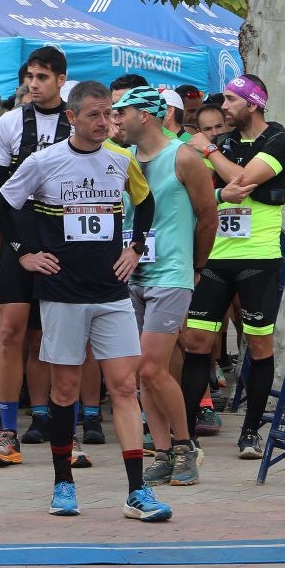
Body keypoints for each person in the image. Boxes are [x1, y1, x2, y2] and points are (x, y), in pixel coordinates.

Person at [0, 79, 171, 521]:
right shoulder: (44, 161)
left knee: (123, 388)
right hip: (62, 294)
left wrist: (134, 250)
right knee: (65, 389)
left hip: (112, 292)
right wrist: (25, 255)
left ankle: (137, 492)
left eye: (110, 113)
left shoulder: (121, 160)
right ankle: (63, 483)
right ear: (72, 118)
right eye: (94, 114)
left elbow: (146, 204)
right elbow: (4, 205)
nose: (104, 122)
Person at [184, 73, 285, 459]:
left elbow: (243, 181)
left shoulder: (280, 141)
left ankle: (250, 432)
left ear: (253, 103)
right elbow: (209, 189)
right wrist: (217, 178)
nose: (224, 107)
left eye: (231, 100)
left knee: (259, 345)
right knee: (196, 341)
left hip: (258, 257)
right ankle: (186, 435)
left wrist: (210, 153)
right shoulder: (226, 142)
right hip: (217, 256)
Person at [111, 83, 217, 488]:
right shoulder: (122, 160)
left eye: (121, 112)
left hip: (172, 274)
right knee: (141, 372)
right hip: (132, 274)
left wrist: (196, 266)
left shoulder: (185, 158)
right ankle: (161, 451)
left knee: (154, 367)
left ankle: (184, 446)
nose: (114, 120)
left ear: (146, 115)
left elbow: (208, 217)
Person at [0, 47, 74, 463]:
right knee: (10, 333)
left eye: (41, 77)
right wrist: (0, 252)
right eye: (29, 78)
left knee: (54, 338)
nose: (33, 85)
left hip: (63, 243)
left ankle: (57, 427)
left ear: (60, 79)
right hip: (21, 241)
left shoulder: (77, 119)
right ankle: (6, 432)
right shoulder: (11, 121)